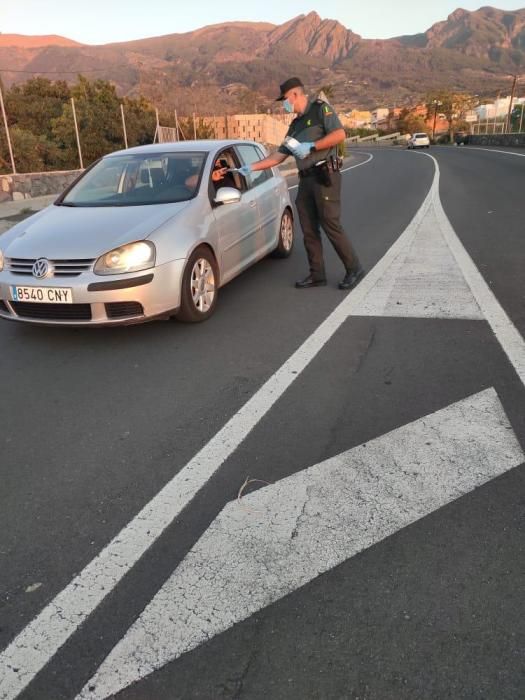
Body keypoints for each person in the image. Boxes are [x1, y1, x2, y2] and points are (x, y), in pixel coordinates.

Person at [236, 77, 364, 290]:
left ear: (295, 95)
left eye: (285, 99)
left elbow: (340, 134)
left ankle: (354, 268)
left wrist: (312, 146)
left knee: (330, 224)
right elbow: (277, 157)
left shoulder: (320, 110)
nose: (284, 104)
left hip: (325, 176)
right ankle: (317, 274)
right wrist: (251, 167)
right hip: (306, 180)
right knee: (308, 229)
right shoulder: (294, 126)